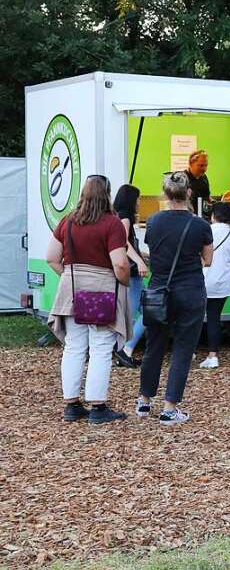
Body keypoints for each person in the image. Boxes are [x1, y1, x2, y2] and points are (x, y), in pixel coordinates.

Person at [45, 174, 132, 424]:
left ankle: (71, 405)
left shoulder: (68, 221)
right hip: (102, 291)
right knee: (101, 348)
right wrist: (123, 282)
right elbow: (120, 264)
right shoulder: (112, 223)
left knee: (74, 346)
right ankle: (97, 406)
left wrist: (72, 277)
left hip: (71, 291)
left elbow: (51, 256)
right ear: (107, 194)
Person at [136, 171, 214, 426]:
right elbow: (208, 260)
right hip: (190, 290)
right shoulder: (200, 225)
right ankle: (170, 407)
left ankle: (144, 400)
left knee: (154, 346)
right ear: (189, 193)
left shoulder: (154, 221)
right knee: (183, 348)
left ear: (166, 194)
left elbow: (154, 251)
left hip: (159, 289)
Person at [112, 184, 149, 368]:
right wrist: (140, 261)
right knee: (143, 311)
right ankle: (125, 348)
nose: (139, 202)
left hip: (130, 270)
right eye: (138, 198)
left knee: (144, 311)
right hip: (132, 272)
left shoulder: (116, 214)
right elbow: (123, 242)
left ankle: (125, 347)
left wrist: (142, 254)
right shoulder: (125, 217)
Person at [198, 201, 230, 369]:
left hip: (203, 280)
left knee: (194, 319)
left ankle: (190, 351)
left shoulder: (205, 230)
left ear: (213, 215)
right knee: (214, 318)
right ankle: (213, 355)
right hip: (223, 282)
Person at [185, 150, 211, 214]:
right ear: (191, 164)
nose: (204, 169)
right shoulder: (183, 179)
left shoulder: (204, 178)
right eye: (201, 165)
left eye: (206, 165)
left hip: (202, 216)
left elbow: (207, 198)